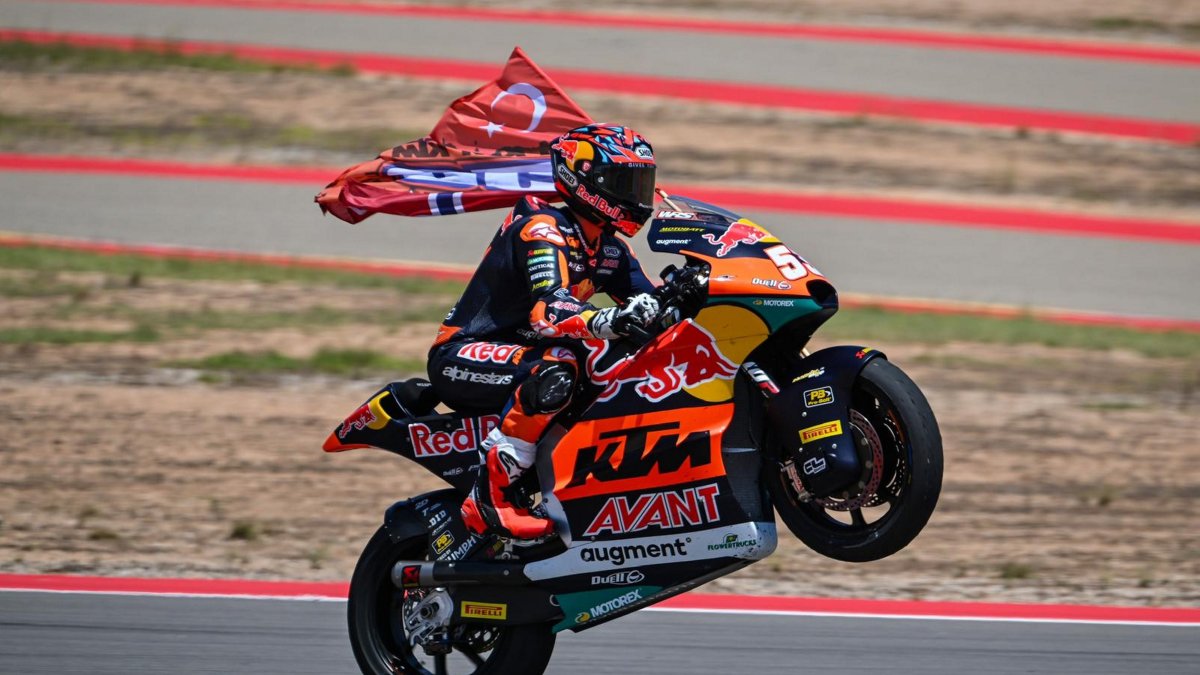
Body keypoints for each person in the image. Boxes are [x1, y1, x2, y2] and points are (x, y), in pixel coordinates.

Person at [426, 124, 661, 540]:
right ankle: (488, 497)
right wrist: (609, 320)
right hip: (465, 353)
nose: (637, 196)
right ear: (585, 179)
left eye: (642, 182)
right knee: (558, 367)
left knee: (616, 364)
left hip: (524, 355)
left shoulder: (608, 248)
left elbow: (652, 306)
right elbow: (547, 312)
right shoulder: (542, 228)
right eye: (626, 182)